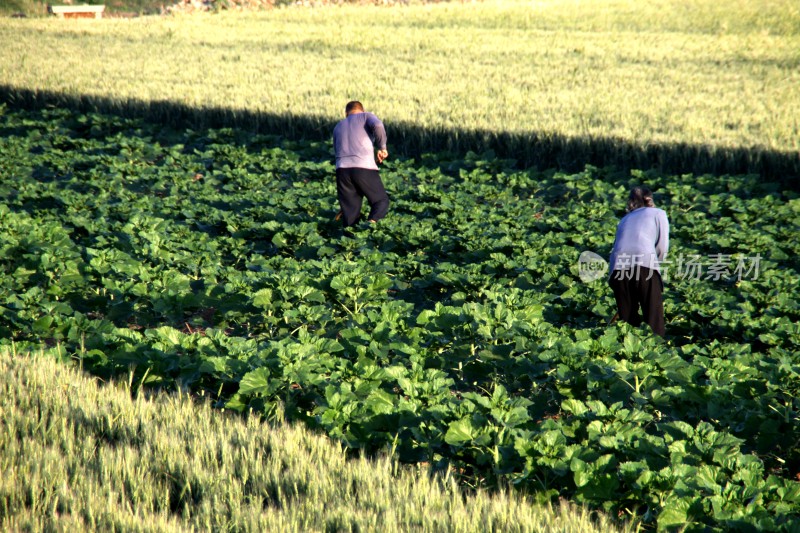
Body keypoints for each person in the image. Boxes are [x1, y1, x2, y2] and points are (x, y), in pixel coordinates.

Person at [608, 186, 669, 336]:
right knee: (653, 313)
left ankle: (629, 351)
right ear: (650, 199)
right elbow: (662, 246)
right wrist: (655, 266)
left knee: (628, 319)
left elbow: (616, 246)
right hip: (644, 263)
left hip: (618, 268)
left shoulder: (624, 219)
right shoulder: (658, 213)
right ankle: (657, 347)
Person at [332, 101, 390, 229]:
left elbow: (337, 150)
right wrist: (382, 147)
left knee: (350, 214)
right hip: (363, 168)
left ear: (346, 113)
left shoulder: (338, 126)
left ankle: (350, 243)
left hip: (341, 170)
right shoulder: (366, 116)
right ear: (362, 110)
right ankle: (369, 226)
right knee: (380, 201)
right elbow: (378, 125)